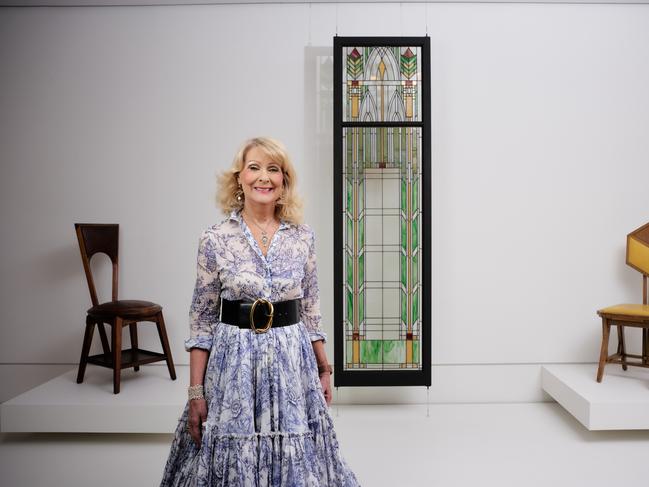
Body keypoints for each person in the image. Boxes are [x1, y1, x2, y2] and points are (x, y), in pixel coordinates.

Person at [160, 137, 359, 486]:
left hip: (291, 365)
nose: (263, 177)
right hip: (233, 365)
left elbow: (310, 307)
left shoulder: (302, 237)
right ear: (239, 178)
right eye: (254, 168)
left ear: (284, 179)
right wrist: (195, 392)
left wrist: (324, 368)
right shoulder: (215, 238)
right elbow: (203, 319)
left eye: (273, 169)